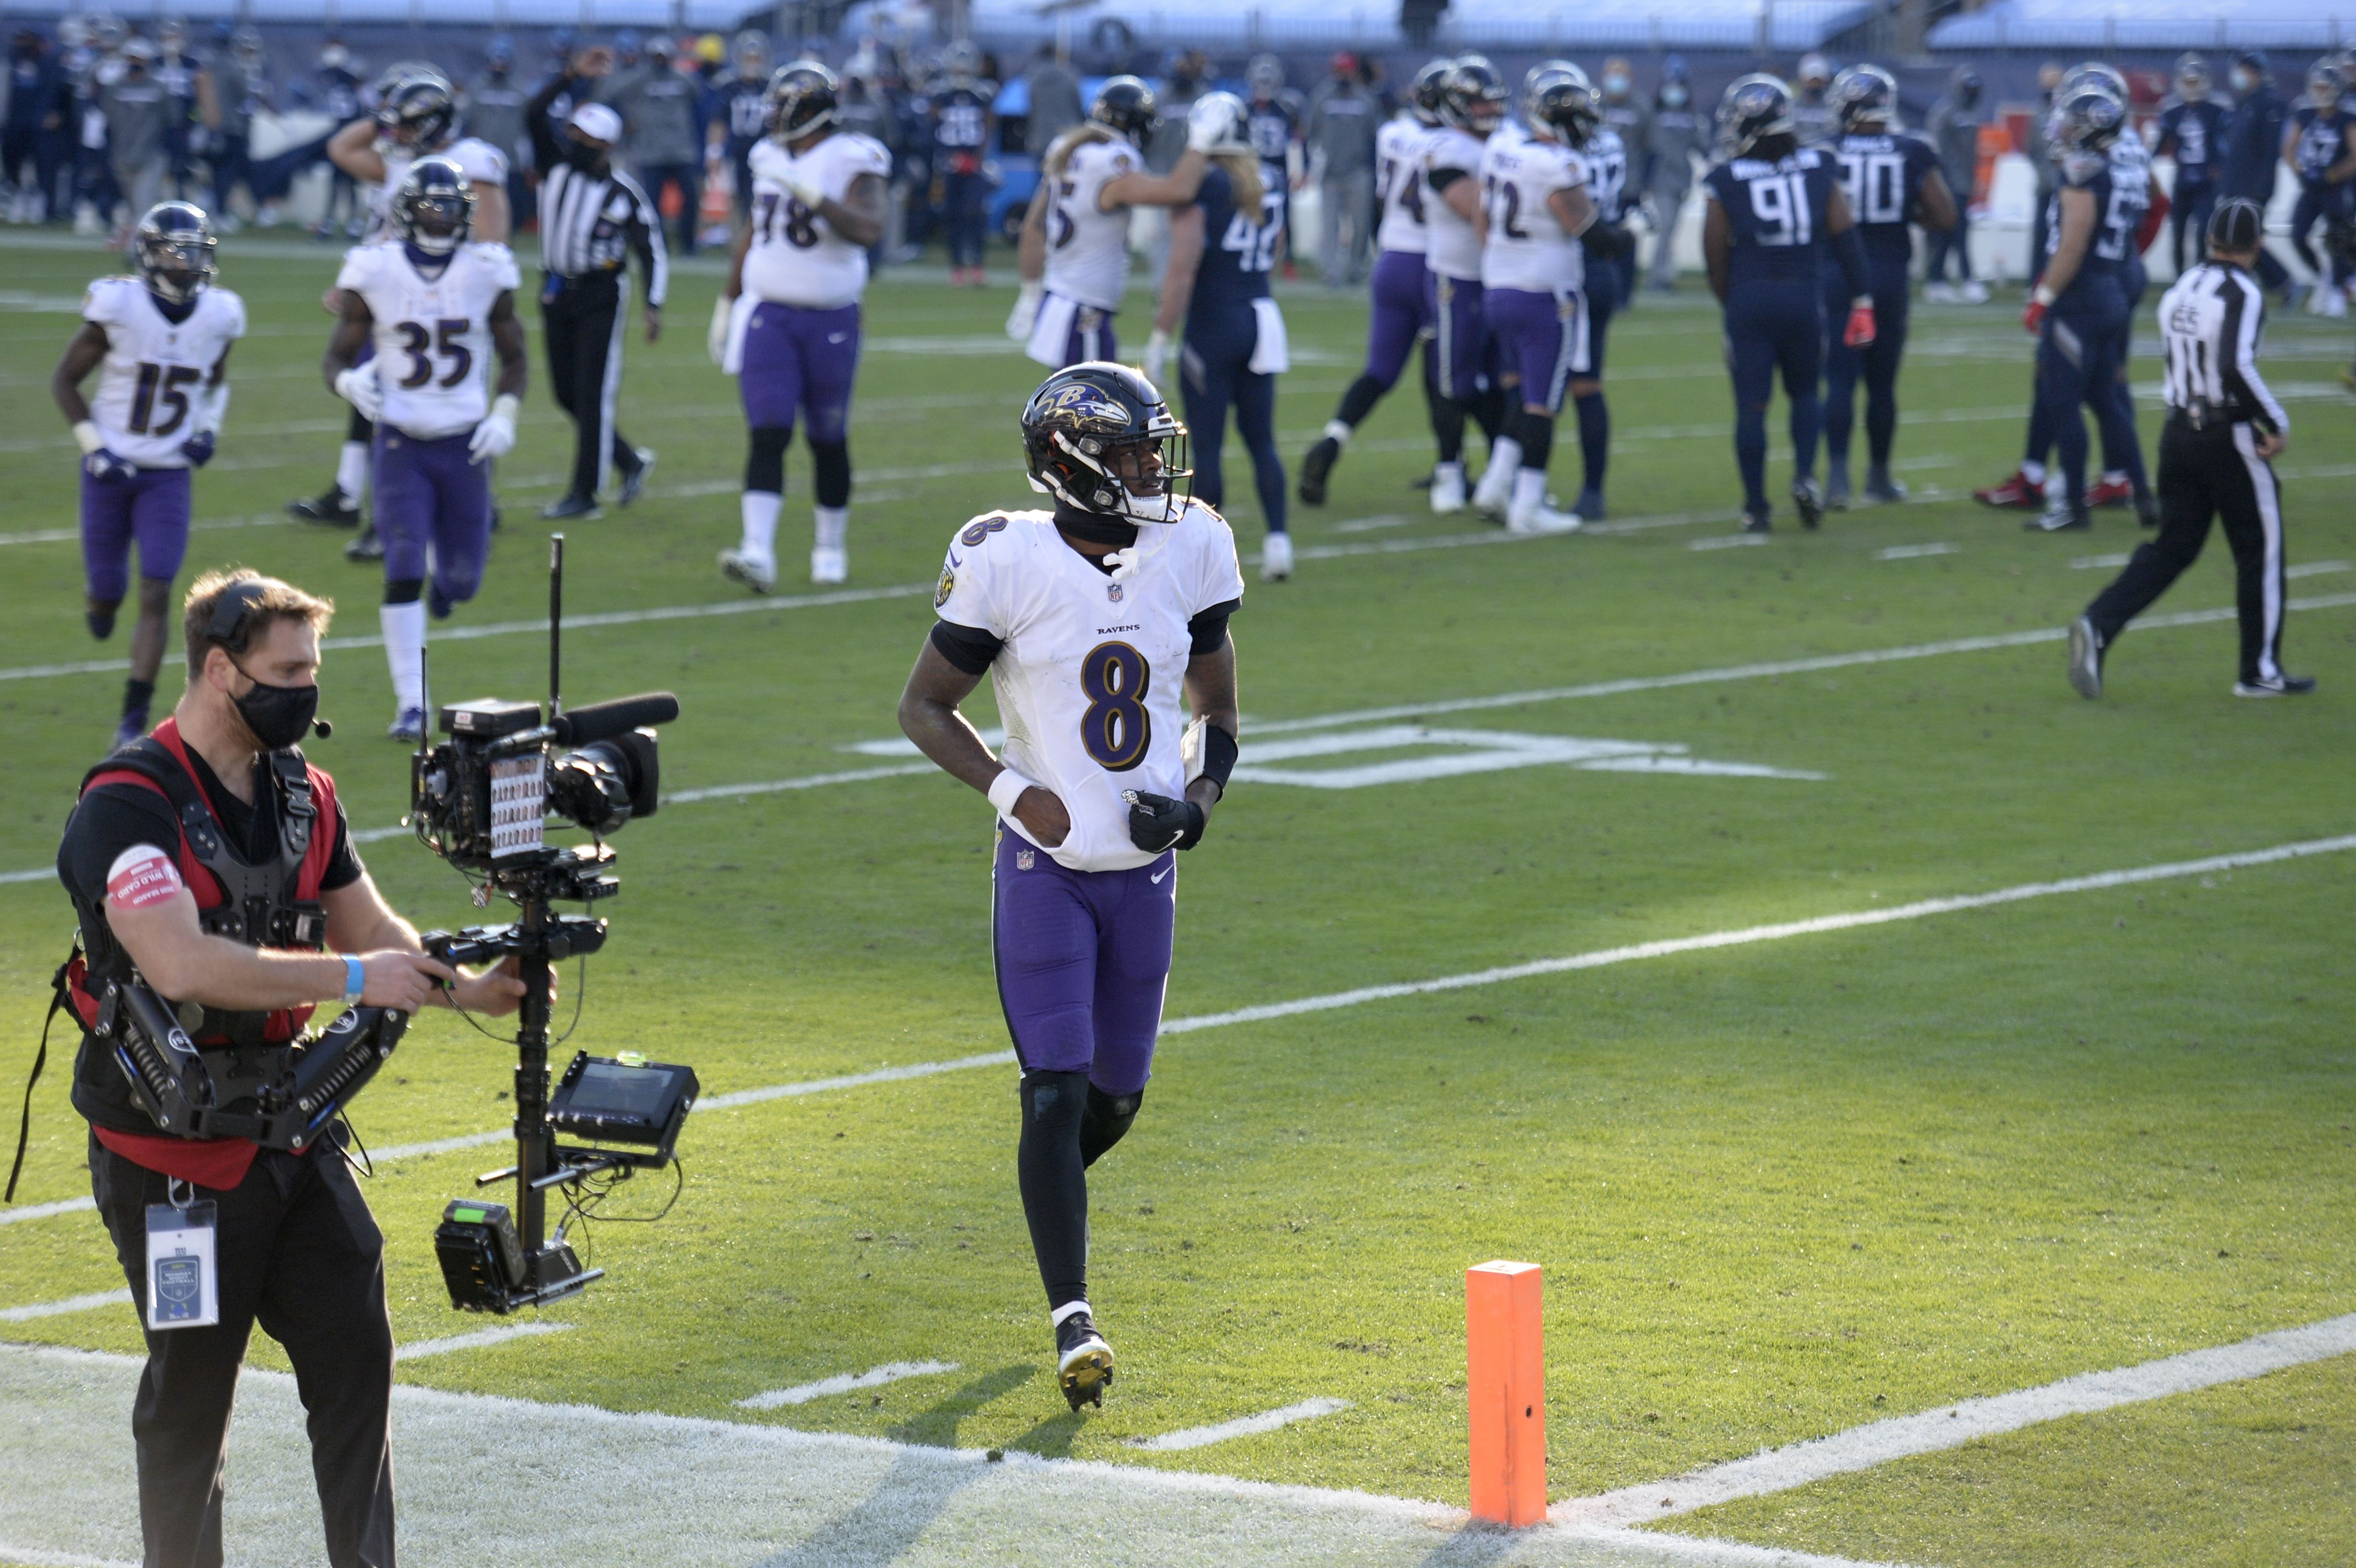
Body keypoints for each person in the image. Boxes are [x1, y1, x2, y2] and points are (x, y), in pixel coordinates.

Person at [55, 566, 532, 1568]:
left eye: (311, 668)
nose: (305, 691)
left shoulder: (306, 793)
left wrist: (470, 988)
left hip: (290, 1131)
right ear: (220, 668)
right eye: (286, 671)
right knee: (190, 1401)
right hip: (171, 1163)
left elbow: (379, 933)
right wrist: (363, 971)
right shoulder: (127, 803)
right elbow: (181, 960)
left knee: (357, 1359)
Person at [894, 361, 1242, 1415]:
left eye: (1153, 448)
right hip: (1045, 871)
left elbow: (1218, 711)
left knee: (1112, 1100)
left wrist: (1197, 801)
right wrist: (1010, 789)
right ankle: (1073, 1317)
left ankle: (1048, 1195)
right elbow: (923, 706)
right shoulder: (1004, 558)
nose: (1153, 468)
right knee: (1051, 1088)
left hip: (1142, 878)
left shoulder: (1193, 544)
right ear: (1073, 464)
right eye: (1134, 452)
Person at [323, 156, 528, 739]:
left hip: (464, 443)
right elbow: (336, 354)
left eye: (450, 208)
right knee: (403, 562)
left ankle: (445, 587)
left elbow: (515, 357)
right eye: (430, 208)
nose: (440, 219)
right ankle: (411, 703)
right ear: (406, 213)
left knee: (461, 582)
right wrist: (349, 382)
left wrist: (505, 412)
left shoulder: (487, 271)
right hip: (401, 441)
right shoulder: (377, 270)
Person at [2071, 199, 2307, 698]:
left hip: (2176, 431)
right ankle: (2259, 671)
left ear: (2209, 241)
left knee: (2172, 548)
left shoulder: (2181, 286)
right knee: (2259, 549)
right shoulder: (2241, 291)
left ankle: (2099, 621)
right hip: (2227, 434)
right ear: (2256, 245)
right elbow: (2233, 366)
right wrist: (2276, 421)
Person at [290, 68, 512, 547]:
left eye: (407, 126)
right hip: (397, 302)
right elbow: (342, 149)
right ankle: (375, 508)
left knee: (454, 405)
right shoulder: (402, 164)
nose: (397, 136)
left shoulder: (468, 160)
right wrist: (386, 116)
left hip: (450, 306)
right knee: (382, 400)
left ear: (434, 123)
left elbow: (492, 244)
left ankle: (465, 507)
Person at [53, 200, 243, 748]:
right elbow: (64, 382)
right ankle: (99, 600)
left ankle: (133, 715)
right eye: (172, 252)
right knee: (109, 590)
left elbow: (216, 379)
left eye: (193, 253)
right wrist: (96, 449)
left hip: (168, 473)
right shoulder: (118, 304)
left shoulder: (221, 313)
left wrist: (207, 427)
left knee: (158, 588)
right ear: (147, 254)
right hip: (109, 470)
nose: (183, 264)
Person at [713, 61, 889, 591]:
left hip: (831, 316)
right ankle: (757, 552)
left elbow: (869, 228)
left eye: (781, 106)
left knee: (826, 436)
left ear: (809, 111)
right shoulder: (765, 154)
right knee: (766, 429)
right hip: (769, 313)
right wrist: (728, 297)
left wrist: (812, 195)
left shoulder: (853, 157)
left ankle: (829, 545)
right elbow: (755, 229)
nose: (770, 116)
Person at [1704, 74, 1874, 534]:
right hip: (1804, 297)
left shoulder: (1725, 178)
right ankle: (1805, 476)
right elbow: (1845, 237)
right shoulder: (1819, 165)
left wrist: (1731, 299)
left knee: (1752, 407)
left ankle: (1756, 508)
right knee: (1805, 395)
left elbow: (1714, 250)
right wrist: (1862, 297)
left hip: (1751, 298)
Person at [1146, 93, 1293, 581]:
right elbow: (1275, 249)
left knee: (1205, 445)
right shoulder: (1269, 177)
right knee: (1262, 440)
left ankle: (1206, 560)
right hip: (1261, 315)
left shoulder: (1207, 183)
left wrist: (1159, 336)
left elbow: (1183, 267)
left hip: (1214, 320)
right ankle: (1278, 544)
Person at [1298, 58, 1450, 506]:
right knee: (1444, 375)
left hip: (1392, 260)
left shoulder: (1393, 133)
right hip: (1436, 266)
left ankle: (1331, 441)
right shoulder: (1455, 143)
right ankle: (1450, 473)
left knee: (1380, 372)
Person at [526, 68, 665, 521]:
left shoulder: (624, 192)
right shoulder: (555, 166)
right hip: (555, 289)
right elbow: (533, 113)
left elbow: (651, 250)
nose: (576, 140)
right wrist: (569, 76)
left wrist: (654, 304)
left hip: (600, 294)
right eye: (574, 132)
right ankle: (629, 460)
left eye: (587, 136)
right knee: (566, 394)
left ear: (606, 145)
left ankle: (585, 494)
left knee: (591, 395)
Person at [1470, 64, 1600, 535]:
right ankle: (1527, 505)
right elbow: (1590, 231)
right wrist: (1632, 230)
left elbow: (1481, 221)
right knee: (1542, 402)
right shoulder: (1558, 165)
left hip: (1498, 288)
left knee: (1522, 394)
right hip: (1544, 296)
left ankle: (1493, 484)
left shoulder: (1500, 148)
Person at [2019, 81, 2152, 534]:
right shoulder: (2115, 168)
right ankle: (2146, 496)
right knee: (2107, 400)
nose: (2062, 128)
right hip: (2112, 290)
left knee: (2063, 401)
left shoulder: (2081, 172)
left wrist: (2042, 299)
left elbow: (2072, 245)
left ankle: (2073, 506)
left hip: (2080, 299)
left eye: (2073, 122)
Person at [1820, 65, 1955, 508]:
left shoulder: (1826, 151)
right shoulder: (1911, 149)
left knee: (1840, 378)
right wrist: (1907, 215)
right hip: (1888, 273)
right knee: (1881, 383)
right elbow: (1945, 216)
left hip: (1839, 271)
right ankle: (1878, 476)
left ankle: (1838, 477)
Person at [1007, 76, 1209, 370]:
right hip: (1084, 312)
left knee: (1069, 412)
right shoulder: (1113, 161)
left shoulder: (1069, 149)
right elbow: (1179, 191)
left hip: (1059, 298)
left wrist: (1030, 293)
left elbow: (1032, 226)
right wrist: (1201, 142)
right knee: (1091, 413)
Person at [1422, 56, 1509, 515]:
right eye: (1477, 103)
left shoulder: (1503, 145)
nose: (1487, 109)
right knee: (1454, 382)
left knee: (1499, 382)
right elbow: (1479, 211)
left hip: (1497, 280)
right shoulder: (1447, 149)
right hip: (1456, 280)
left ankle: (1500, 474)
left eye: (1491, 101)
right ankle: (1449, 472)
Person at [616, 34, 703, 256]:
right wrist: (627, 121)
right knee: (651, 204)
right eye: (656, 56)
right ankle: (657, 243)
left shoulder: (684, 80)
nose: (660, 61)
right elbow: (611, 94)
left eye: (664, 56)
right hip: (650, 153)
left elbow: (700, 102)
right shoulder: (637, 81)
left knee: (690, 199)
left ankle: (688, 244)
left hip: (681, 151)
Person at [2284, 60, 2356, 315]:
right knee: (2298, 234)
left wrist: (2333, 175)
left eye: (2325, 87)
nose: (2321, 92)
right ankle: (2322, 277)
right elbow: (2289, 148)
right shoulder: (2305, 112)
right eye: (2318, 87)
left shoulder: (2346, 116)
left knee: (2338, 238)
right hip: (2312, 186)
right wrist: (2299, 171)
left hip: (2335, 186)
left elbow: (2355, 155)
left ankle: (2338, 289)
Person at [2218, 50, 2289, 296]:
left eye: (2243, 70)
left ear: (2255, 72)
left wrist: (2261, 186)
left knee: (2245, 238)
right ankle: (2272, 283)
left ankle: (2282, 282)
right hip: (2235, 183)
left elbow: (2270, 152)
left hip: (2253, 185)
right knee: (2239, 237)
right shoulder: (2245, 102)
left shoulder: (2270, 103)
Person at [1306, 53, 1379, 287]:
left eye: (1347, 71)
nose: (1343, 75)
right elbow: (1312, 133)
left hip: (1359, 171)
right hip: (1330, 172)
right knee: (1330, 225)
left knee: (1360, 224)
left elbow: (1376, 135)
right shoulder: (1322, 97)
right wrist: (1312, 165)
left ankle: (1356, 266)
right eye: (1340, 71)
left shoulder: (1366, 99)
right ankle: (1331, 271)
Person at [2156, 54, 2229, 276]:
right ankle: (2180, 278)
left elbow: (2227, 144)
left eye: (2195, 81)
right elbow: (2161, 144)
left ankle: (2200, 275)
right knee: (2177, 232)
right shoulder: (2171, 109)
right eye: (2187, 82)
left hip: (2207, 180)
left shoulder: (2218, 107)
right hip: (2183, 179)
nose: (2191, 87)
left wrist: (2219, 168)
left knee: (2203, 233)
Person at [931, 40, 993, 285]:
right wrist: (945, 158)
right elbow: (933, 129)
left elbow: (989, 127)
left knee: (975, 214)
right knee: (953, 216)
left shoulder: (982, 94)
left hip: (974, 164)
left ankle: (977, 265)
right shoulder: (940, 94)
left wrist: (977, 157)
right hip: (949, 164)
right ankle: (957, 267)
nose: (962, 69)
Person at [1923, 66, 1988, 302]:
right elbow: (1937, 150)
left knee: (1954, 232)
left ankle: (1938, 280)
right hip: (1948, 182)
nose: (1971, 93)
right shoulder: (1944, 113)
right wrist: (1943, 180)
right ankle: (1963, 279)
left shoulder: (1974, 113)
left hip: (1965, 181)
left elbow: (1971, 153)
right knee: (1954, 232)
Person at [100, 38, 171, 246]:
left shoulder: (159, 89)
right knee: (133, 205)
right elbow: (108, 118)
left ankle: (135, 251)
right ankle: (138, 242)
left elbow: (171, 118)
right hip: (122, 155)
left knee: (143, 204)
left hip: (150, 155)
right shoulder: (115, 88)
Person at [1643, 56, 1704, 291]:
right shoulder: (1654, 114)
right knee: (1666, 227)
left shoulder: (1691, 117)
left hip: (1682, 182)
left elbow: (1701, 146)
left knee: (1672, 230)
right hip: (1660, 181)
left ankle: (1664, 274)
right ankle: (1658, 277)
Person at [708, 30, 772, 225]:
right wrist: (714, 151)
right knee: (736, 199)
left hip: (765, 153)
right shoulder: (729, 87)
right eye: (748, 58)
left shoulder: (771, 87)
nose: (752, 62)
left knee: (764, 196)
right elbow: (719, 122)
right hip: (736, 152)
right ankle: (739, 244)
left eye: (756, 58)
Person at [1022, 42, 1082, 155]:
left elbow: (1031, 107)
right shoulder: (1070, 75)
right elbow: (1078, 105)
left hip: (1041, 137)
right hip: (1068, 136)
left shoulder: (1032, 78)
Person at [1789, 51, 1837, 146]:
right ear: (1802, 80)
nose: (1814, 85)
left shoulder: (1834, 107)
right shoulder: (1791, 106)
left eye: (1818, 81)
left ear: (1826, 81)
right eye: (1811, 81)